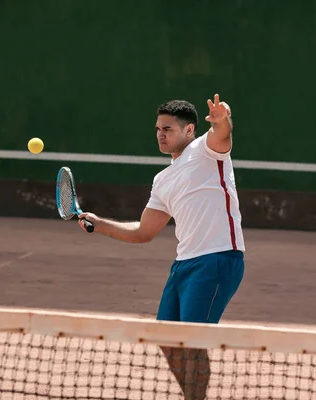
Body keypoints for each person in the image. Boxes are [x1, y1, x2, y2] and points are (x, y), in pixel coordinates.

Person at [78, 94, 245, 399]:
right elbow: (143, 231)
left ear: (189, 130)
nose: (160, 134)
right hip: (184, 265)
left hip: (218, 259)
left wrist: (222, 120)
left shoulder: (207, 150)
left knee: (192, 341)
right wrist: (100, 224)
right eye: (158, 129)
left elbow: (223, 133)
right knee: (168, 341)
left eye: (168, 128)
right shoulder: (163, 179)